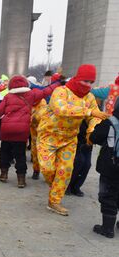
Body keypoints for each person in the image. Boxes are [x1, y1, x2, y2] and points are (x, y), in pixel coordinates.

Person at [37, 64, 110, 215]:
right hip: (48, 137)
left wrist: (91, 131)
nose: (88, 85)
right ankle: (56, 185)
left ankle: (54, 201)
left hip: (69, 139)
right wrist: (88, 111)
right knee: (48, 169)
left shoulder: (89, 97)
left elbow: (94, 117)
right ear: (78, 78)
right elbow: (60, 109)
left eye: (91, 82)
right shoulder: (61, 91)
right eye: (85, 81)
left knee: (65, 170)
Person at [0, 75, 59, 187]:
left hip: (7, 130)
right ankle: (21, 180)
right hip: (22, 131)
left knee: (4, 152)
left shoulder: (8, 96)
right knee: (20, 155)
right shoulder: (31, 94)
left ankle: (3, 175)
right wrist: (58, 83)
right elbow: (46, 91)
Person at [89, 100, 119, 238]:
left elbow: (94, 137)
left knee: (108, 195)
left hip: (111, 166)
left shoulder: (110, 122)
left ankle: (107, 228)